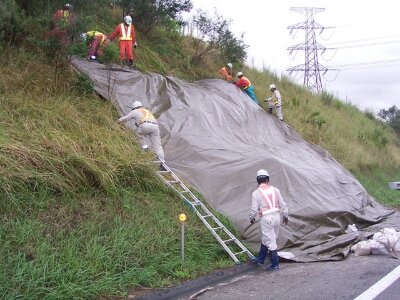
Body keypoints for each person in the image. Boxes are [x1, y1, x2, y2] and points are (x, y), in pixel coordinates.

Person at [249, 169, 289, 271]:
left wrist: (252, 218)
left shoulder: (256, 193)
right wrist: (286, 216)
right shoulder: (275, 190)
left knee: (270, 241)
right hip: (277, 216)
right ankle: (260, 259)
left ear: (258, 181)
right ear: (267, 180)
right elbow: (283, 205)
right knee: (268, 238)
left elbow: (254, 209)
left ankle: (275, 264)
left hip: (266, 219)